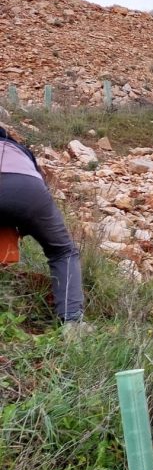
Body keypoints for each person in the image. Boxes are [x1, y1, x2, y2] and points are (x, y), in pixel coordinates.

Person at [0, 123, 86, 329]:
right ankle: (72, 323)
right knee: (62, 251)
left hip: (24, 186)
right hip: (28, 187)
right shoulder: (19, 150)